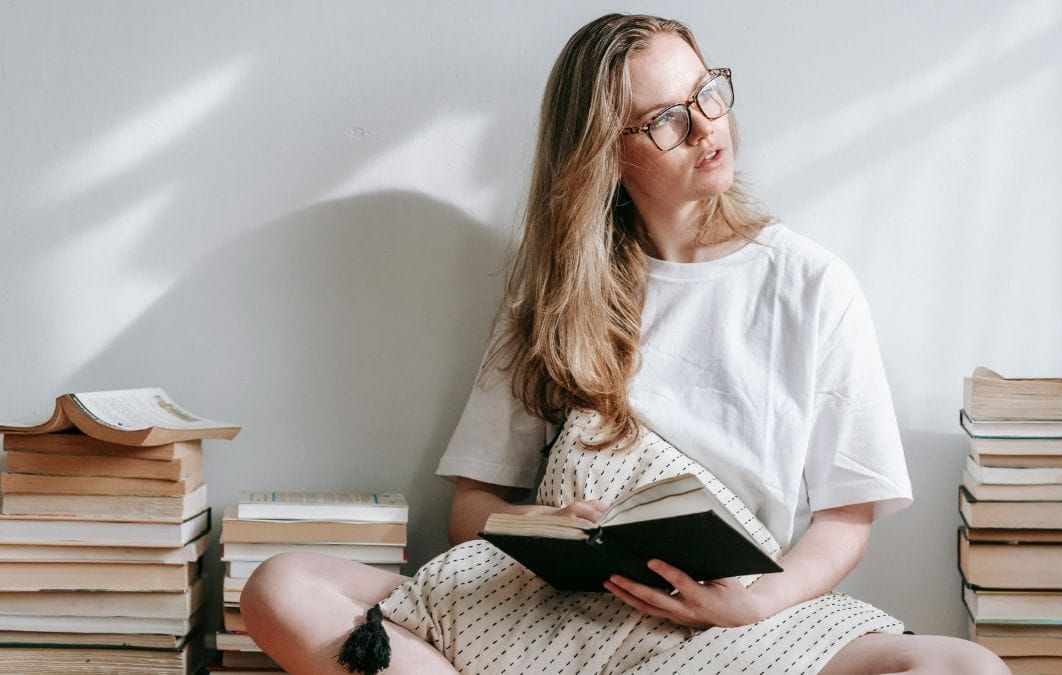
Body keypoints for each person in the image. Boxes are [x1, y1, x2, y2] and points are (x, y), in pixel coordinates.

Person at [241, 13, 1010, 675]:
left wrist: (752, 602)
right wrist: (556, 532)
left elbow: (848, 517)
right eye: (669, 119)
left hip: (734, 618)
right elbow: (472, 507)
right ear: (606, 157)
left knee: (969, 666)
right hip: (553, 610)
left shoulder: (811, 284)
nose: (709, 125)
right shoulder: (554, 294)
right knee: (280, 583)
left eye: (709, 91)